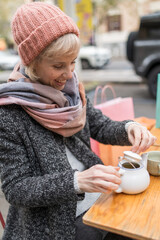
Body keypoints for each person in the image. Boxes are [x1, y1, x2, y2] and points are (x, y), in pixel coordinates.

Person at [0, 2, 156, 240]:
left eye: (73, 61)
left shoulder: (71, 90)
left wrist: (130, 128)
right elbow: (17, 189)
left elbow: (101, 125)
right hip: (51, 227)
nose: (69, 73)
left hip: (98, 198)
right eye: (58, 65)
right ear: (32, 62)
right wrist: (77, 181)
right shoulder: (9, 113)